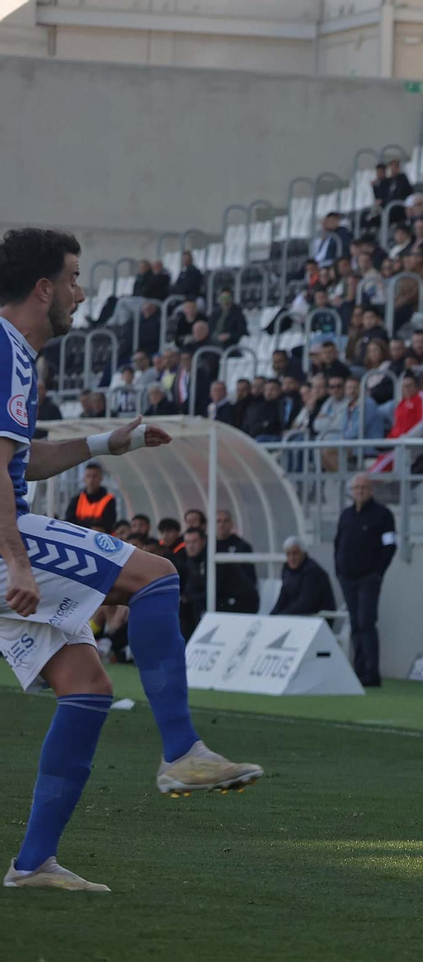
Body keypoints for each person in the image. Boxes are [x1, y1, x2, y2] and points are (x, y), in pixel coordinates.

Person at [1, 228, 260, 893]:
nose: (82, 295)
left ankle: (33, 863)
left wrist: (109, 440)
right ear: (44, 288)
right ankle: (181, 753)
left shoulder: (16, 353)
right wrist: (19, 560)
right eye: (75, 279)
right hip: (3, 539)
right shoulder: (6, 347)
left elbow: (22, 456)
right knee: (158, 574)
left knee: (87, 689)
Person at [333, 473, 396, 688]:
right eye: (356, 488)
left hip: (368, 578)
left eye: (364, 487)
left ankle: (371, 672)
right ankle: (358, 669)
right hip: (347, 578)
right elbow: (338, 543)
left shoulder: (382, 515)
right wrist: (338, 569)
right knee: (355, 624)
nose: (359, 491)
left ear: (371, 490)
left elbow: (390, 545)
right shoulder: (346, 515)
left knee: (366, 622)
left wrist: (378, 572)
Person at [270, 536, 336, 616]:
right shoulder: (287, 570)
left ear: (303, 554)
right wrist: (272, 616)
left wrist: (282, 615)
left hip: (316, 617)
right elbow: (283, 597)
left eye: (295, 553)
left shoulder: (313, 572)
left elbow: (306, 604)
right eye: (288, 554)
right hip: (295, 614)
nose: (292, 558)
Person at [212, 509, 259, 614]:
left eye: (225, 521)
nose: (222, 525)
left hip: (237, 598)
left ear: (232, 524)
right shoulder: (209, 546)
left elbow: (249, 576)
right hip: (216, 596)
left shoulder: (242, 546)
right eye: (218, 521)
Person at [63, 461, 116, 532]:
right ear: (84, 479)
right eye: (88, 476)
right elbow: (69, 522)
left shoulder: (109, 500)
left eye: (94, 476)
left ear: (101, 478)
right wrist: (92, 525)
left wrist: (82, 523)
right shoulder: (76, 500)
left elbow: (108, 524)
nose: (91, 480)